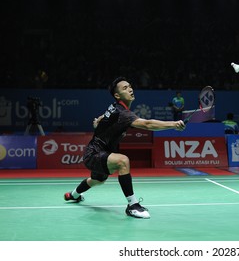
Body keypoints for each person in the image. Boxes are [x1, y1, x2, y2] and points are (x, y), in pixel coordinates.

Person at [64, 77, 186, 219]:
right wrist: (173, 125)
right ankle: (132, 205)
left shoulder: (115, 108)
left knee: (97, 181)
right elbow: (147, 124)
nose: (130, 89)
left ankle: (73, 195)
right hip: (94, 153)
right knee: (123, 161)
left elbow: (106, 116)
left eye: (130, 86)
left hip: (96, 153)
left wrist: (99, 121)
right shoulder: (123, 112)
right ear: (117, 95)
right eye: (125, 88)